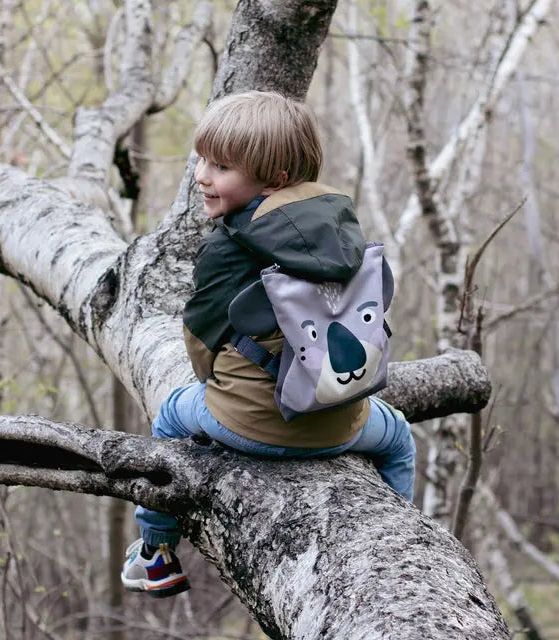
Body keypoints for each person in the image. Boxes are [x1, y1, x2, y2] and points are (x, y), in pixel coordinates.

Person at [121, 91, 416, 598]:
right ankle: (404, 536)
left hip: (249, 426)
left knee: (170, 416)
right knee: (399, 437)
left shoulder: (228, 247)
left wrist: (224, 384)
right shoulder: (340, 229)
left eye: (222, 166)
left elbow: (199, 344)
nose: (202, 176)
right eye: (203, 160)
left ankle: (154, 551)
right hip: (346, 420)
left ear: (274, 178)